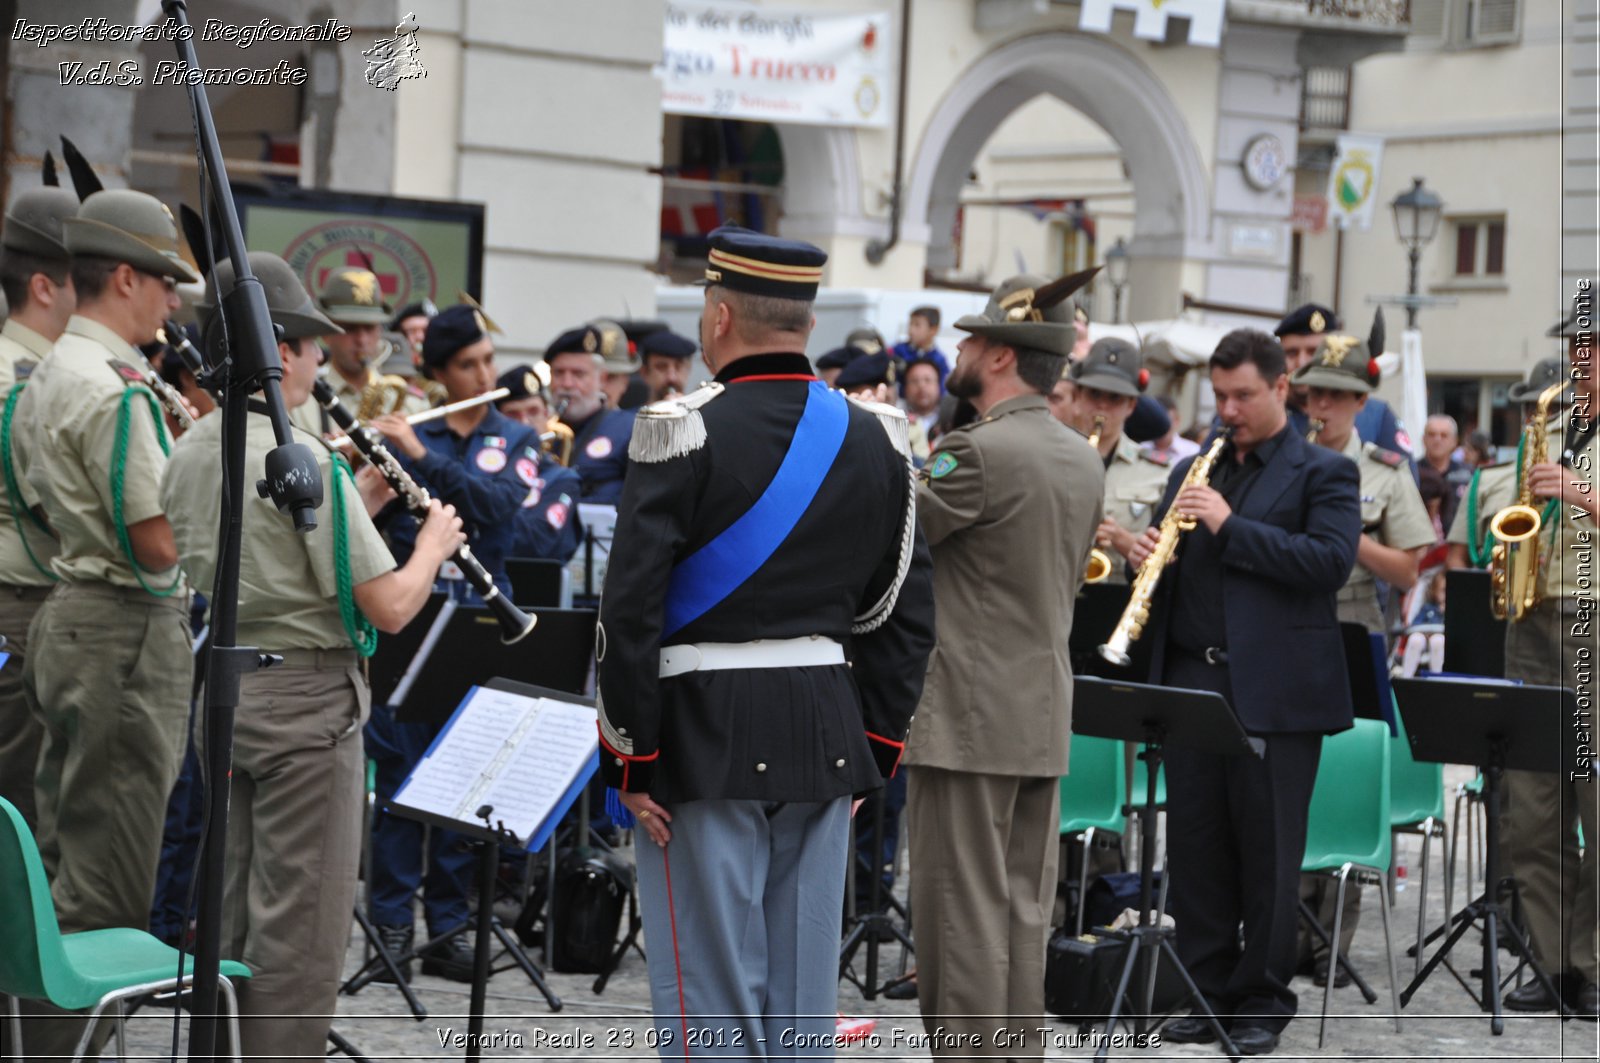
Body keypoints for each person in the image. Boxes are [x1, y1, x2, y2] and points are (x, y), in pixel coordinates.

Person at [597, 225, 935, 1058]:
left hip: (699, 733)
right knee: (801, 997)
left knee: (707, 993)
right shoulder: (879, 437)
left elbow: (631, 611)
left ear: (718, 317)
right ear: (807, 324)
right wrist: (876, 747)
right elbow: (903, 614)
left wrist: (633, 758)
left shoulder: (677, 428)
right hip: (826, 733)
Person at [160, 252, 466, 1059]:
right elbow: (391, 606)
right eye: (312, 346)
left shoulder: (193, 444)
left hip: (229, 690)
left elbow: (264, 550)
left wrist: (354, 502)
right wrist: (432, 543)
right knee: (299, 926)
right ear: (281, 350)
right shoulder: (306, 458)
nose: (320, 362)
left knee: (229, 907)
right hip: (306, 705)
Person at [1129, 328, 1360, 1055]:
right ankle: (1204, 986)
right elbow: (1182, 573)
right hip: (1195, 678)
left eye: (1242, 396)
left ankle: (1262, 994)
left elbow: (1327, 562)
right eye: (1219, 396)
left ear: (1280, 389)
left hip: (1275, 691)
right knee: (1195, 843)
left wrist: (1232, 526)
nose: (1227, 409)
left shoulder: (1325, 472)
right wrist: (1149, 552)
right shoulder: (1195, 469)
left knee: (1267, 849)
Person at [15, 189, 201, 1057]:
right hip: (127, 625)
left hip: (72, 609)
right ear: (124, 277)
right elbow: (159, 543)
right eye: (164, 281)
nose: (172, 301)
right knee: (109, 875)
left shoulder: (48, 370)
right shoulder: (119, 389)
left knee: (62, 851)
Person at [905, 272, 1104, 1058]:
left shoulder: (975, 452)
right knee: (1023, 910)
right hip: (1039, 712)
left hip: (967, 716)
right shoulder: (1080, 456)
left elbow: (896, 538)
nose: (958, 348)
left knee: (959, 916)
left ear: (997, 354)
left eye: (970, 337)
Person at [363, 304, 540, 982]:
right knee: (402, 775)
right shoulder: (417, 427)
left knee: (467, 777)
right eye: (468, 365)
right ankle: (387, 925)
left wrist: (422, 457)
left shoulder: (514, 438)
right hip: (410, 617)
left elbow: (496, 509)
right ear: (437, 374)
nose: (486, 374)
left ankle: (448, 927)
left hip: (479, 620)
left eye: (488, 360)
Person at [1291, 330, 1434, 985]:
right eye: (1315, 391)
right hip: (1286, 617)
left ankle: (1330, 942)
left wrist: (1343, 539)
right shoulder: (1284, 456)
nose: (1322, 404)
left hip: (1352, 620)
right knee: (1285, 775)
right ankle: (1285, 928)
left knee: (1343, 777)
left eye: (1338, 395)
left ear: (1360, 400)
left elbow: (1408, 571)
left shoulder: (1383, 466)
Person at [1495, 292, 1598, 1017]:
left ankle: (1594, 966)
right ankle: (1555, 962)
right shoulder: (1555, 423)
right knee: (1532, 810)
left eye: (1591, 344)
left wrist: (1582, 492)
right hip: (1532, 620)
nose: (1579, 357)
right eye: (1574, 343)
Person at [0, 187, 78, 832]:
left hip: (23, 602)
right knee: (25, 806)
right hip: (24, 605)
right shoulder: (27, 378)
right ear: (46, 287)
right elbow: (56, 509)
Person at [1444, 357, 1572, 572]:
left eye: (1561, 410)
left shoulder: (1589, 480)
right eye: (1540, 410)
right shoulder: (1485, 480)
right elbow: (1457, 559)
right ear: (1527, 415)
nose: (1551, 420)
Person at [1066, 337, 1170, 582]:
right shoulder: (1050, 458)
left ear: (1131, 405)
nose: (1102, 405)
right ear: (1078, 396)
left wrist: (1123, 540)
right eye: (1094, 394)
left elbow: (1170, 561)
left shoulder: (1158, 470)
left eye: (1115, 398)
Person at [292, 267, 430, 435]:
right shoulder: (298, 400)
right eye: (350, 328)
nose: (362, 340)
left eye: (370, 328)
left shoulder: (411, 403)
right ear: (327, 332)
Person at [1275, 303, 1412, 462]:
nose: (1301, 362)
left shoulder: (1376, 415)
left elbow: (1401, 480)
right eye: (1291, 353)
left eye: (1313, 352)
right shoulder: (1267, 413)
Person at [545, 323, 636, 503]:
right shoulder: (541, 428)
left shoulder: (628, 429)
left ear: (601, 379)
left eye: (578, 374)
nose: (567, 384)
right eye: (559, 373)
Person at [1422, 414, 1471, 532]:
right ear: (1423, 439)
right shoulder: (1411, 472)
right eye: (1432, 434)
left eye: (1444, 435)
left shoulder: (1469, 474)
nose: (1437, 440)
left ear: (1455, 441)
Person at [891, 304, 951, 391]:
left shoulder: (939, 360)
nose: (911, 330)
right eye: (910, 324)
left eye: (917, 325)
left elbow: (942, 390)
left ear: (933, 330)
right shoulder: (898, 351)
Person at [901, 356, 942, 463]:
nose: (921, 386)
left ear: (938, 385)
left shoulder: (950, 420)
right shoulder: (897, 419)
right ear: (905, 388)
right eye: (914, 381)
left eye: (927, 380)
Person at [638, 327, 695, 403]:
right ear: (644, 373)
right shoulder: (631, 415)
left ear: (689, 369)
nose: (671, 378)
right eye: (662, 367)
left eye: (678, 367)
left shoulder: (702, 414)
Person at [1143, 393, 1201, 464]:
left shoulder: (1192, 452)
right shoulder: (1141, 449)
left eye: (1165, 422)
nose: (1160, 427)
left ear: (1177, 420)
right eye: (1155, 421)